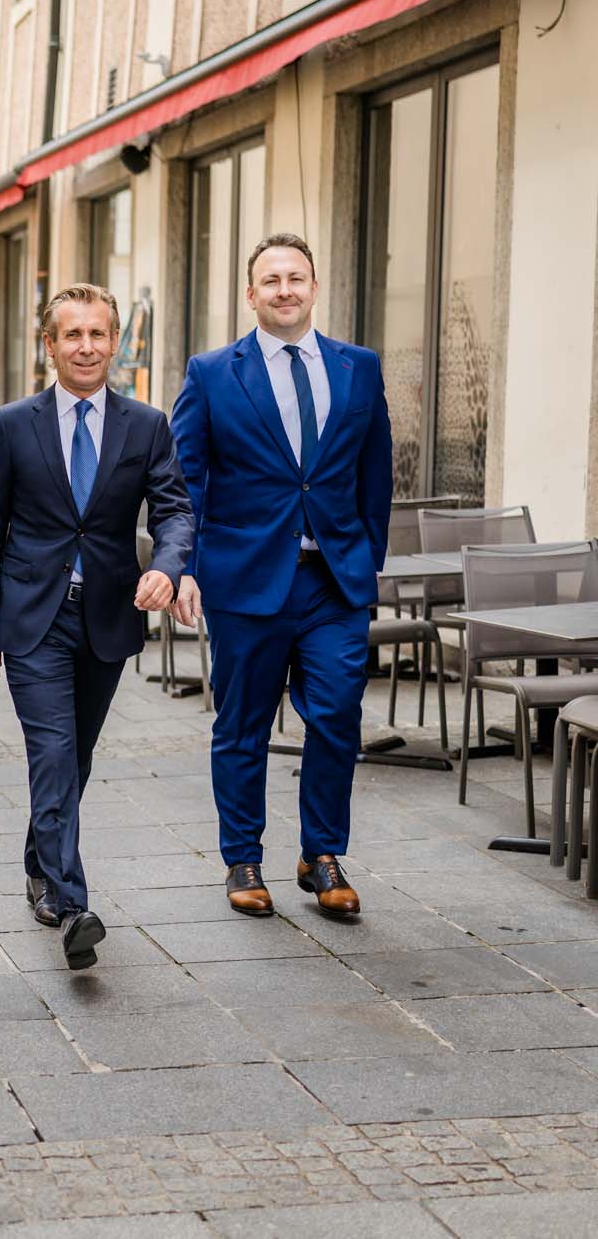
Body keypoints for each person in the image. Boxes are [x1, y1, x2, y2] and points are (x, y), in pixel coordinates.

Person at [170, 234, 392, 919]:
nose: (285, 289)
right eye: (272, 280)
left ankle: (321, 854)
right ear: (251, 294)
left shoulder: (359, 367)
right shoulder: (212, 373)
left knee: (337, 715)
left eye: (297, 277)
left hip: (333, 580)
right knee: (243, 723)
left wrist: (367, 559)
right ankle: (242, 857)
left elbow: (376, 471)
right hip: (244, 580)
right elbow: (186, 481)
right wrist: (184, 568)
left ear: (315, 288)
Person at [0, 283, 193, 968]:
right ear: (50, 345)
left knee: (75, 757)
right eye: (71, 334)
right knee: (52, 751)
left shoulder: (146, 425)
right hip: (32, 615)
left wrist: (168, 566)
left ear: (115, 342)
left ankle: (39, 864)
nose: (86, 346)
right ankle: (73, 905)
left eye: (98, 333)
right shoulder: (14, 424)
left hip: (106, 614)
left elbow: (174, 509)